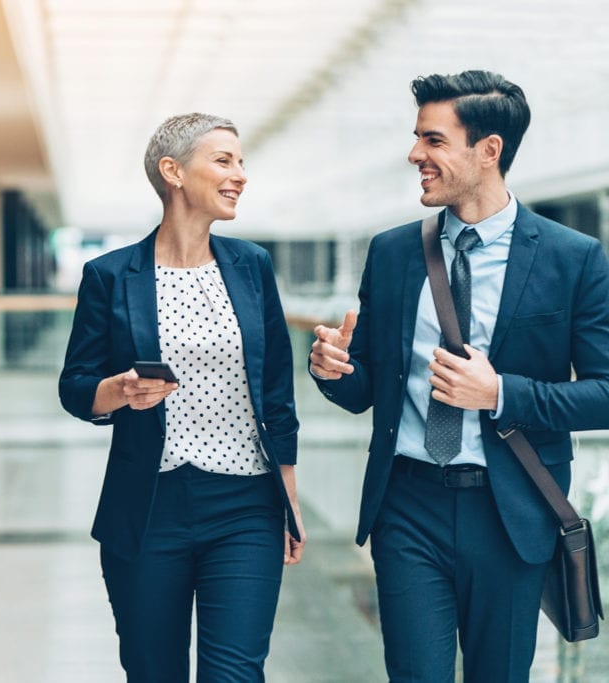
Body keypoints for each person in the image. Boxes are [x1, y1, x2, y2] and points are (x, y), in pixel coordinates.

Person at [309, 70, 609, 682]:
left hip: (512, 513)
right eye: (417, 138)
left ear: (488, 150)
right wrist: (332, 371)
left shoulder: (573, 258)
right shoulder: (392, 252)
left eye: (434, 140)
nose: (415, 153)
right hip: (407, 508)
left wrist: (500, 393)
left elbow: (604, 394)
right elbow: (364, 386)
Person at [59, 112, 305, 682]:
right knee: (153, 671)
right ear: (173, 171)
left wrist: (287, 499)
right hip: (148, 507)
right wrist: (117, 391)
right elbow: (75, 387)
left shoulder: (252, 267)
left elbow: (276, 390)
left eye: (241, 162)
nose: (240, 174)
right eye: (224, 160)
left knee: (235, 674)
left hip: (246, 504)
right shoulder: (110, 275)